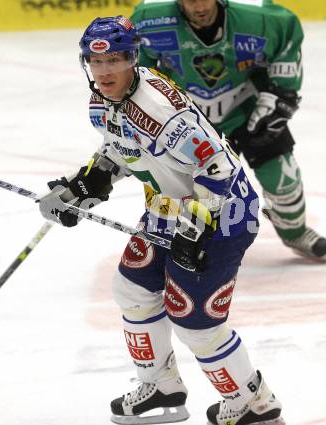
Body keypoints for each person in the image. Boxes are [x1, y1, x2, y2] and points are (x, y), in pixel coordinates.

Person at [39, 15, 285, 425]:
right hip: (168, 208)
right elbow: (122, 148)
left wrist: (196, 228)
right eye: (95, 62)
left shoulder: (161, 109)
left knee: (195, 319)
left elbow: (218, 168)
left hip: (223, 214)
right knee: (133, 288)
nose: (103, 71)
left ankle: (254, 404)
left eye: (114, 60)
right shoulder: (102, 100)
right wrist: (82, 184)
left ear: (132, 58)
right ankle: (161, 386)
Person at [130, 0, 326, 261]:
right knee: (182, 188)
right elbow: (137, 75)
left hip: (245, 107)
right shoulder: (149, 19)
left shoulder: (259, 17)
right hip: (186, 117)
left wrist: (279, 97)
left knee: (281, 177)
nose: (199, 6)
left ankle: (296, 233)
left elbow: (286, 36)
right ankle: (184, 238)